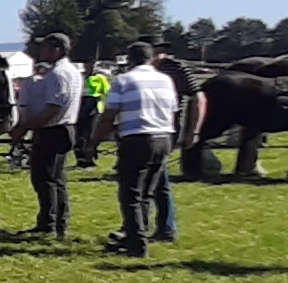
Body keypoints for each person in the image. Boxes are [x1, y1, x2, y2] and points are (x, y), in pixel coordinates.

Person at [98, 42, 178, 260]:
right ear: (151, 59)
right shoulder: (166, 80)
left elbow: (109, 114)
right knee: (147, 192)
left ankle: (137, 243)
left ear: (129, 60)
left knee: (130, 193)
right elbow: (172, 110)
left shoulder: (124, 80)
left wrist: (93, 141)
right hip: (164, 137)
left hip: (138, 138)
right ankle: (136, 234)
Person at [12, 32, 83, 240]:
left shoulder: (57, 74)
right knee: (57, 178)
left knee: (45, 179)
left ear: (56, 50)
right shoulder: (72, 71)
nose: (41, 52)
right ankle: (59, 222)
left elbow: (53, 108)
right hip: (65, 128)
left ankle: (49, 224)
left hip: (53, 129)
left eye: (45, 48)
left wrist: (25, 127)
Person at [148, 41, 200, 243]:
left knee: (156, 179)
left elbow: (198, 97)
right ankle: (144, 223)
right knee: (150, 179)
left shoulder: (176, 67)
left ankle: (165, 227)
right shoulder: (144, 68)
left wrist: (193, 131)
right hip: (151, 128)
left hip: (164, 129)